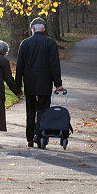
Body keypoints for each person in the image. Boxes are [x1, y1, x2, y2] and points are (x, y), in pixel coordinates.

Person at [15, 17, 64, 147]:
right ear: (44, 29)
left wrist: (17, 87)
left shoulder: (25, 43)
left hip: (30, 83)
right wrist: (58, 84)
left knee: (30, 111)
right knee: (43, 110)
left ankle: (30, 138)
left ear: (32, 29)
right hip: (45, 83)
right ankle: (41, 136)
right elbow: (55, 65)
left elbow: (19, 66)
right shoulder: (50, 43)